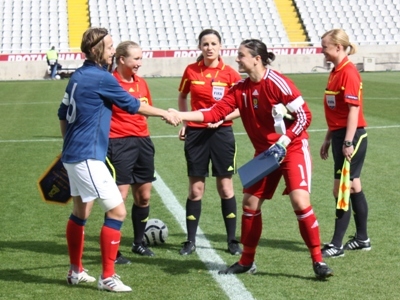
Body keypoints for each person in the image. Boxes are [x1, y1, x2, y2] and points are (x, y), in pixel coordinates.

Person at [169, 39, 333, 279]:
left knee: (299, 201)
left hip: (293, 148)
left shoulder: (279, 82)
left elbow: (304, 117)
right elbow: (214, 112)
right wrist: (181, 114)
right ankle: (246, 261)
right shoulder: (239, 88)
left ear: (257, 58)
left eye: (241, 55)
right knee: (249, 203)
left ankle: (318, 261)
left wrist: (285, 140)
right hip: (266, 154)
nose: (237, 59)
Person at [57, 27, 180, 292]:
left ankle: (76, 271)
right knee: (117, 210)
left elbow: (62, 113)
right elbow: (133, 105)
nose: (113, 51)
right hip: (87, 156)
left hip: (75, 154)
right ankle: (107, 277)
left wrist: (68, 149)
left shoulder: (79, 75)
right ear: (96, 50)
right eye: (110, 46)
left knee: (79, 213)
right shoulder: (101, 78)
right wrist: (165, 113)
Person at [177, 29, 243, 256]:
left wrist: (222, 118)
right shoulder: (191, 70)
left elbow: (240, 107)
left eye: (213, 43)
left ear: (220, 46)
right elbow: (182, 97)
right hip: (196, 134)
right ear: (200, 47)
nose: (209, 47)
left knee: (226, 188)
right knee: (196, 190)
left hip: (222, 134)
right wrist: (185, 122)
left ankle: (232, 240)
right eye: (205, 44)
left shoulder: (231, 74)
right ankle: (190, 240)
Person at [319, 29, 370, 258]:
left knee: (341, 189)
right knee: (353, 185)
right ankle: (362, 239)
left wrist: (348, 141)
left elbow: (353, 111)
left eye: (325, 47)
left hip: (352, 136)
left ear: (338, 47)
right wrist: (329, 138)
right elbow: (336, 110)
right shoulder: (335, 71)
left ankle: (337, 245)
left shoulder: (348, 72)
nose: (322, 51)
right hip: (340, 135)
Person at [106, 41, 157, 264]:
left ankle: (138, 243)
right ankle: (113, 250)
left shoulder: (142, 83)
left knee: (144, 197)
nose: (139, 63)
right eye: (135, 59)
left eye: (140, 58)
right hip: (118, 144)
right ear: (121, 59)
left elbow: (146, 110)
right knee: (119, 199)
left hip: (143, 143)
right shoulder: (110, 83)